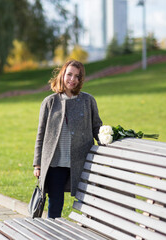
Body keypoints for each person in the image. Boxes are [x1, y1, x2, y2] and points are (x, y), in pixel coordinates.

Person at [33, 59, 103, 218]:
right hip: (55, 163)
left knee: (88, 201)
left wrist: (108, 138)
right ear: (62, 75)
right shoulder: (49, 102)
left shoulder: (88, 101)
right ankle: (52, 232)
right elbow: (41, 134)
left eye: (77, 76)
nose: (72, 79)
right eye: (69, 74)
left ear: (81, 79)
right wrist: (37, 164)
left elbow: (96, 127)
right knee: (55, 202)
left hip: (81, 161)